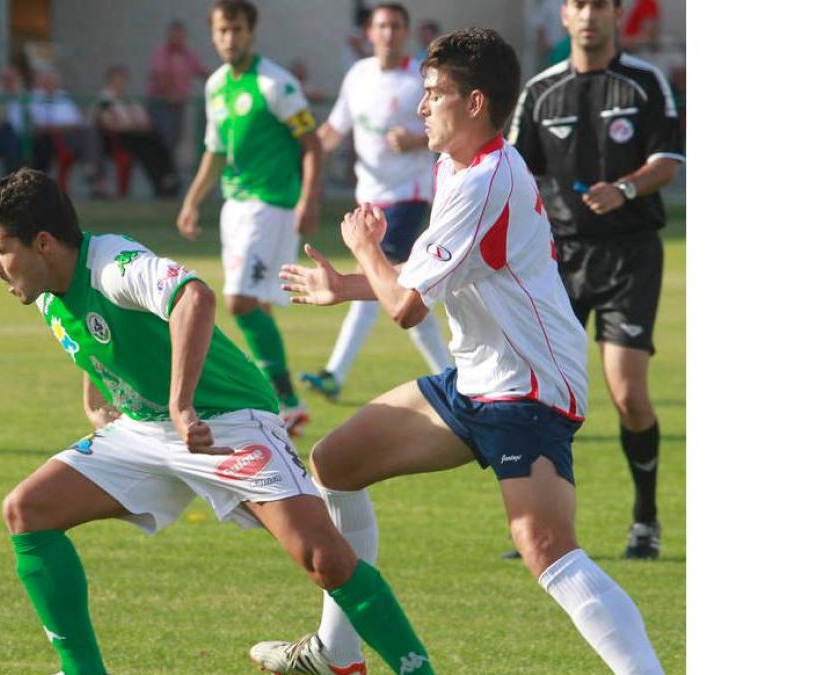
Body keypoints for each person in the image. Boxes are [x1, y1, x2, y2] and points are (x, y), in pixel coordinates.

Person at [250, 28, 664, 675]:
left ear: (475, 104)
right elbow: (425, 280)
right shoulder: (455, 167)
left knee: (545, 545)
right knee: (334, 462)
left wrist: (363, 250)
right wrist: (347, 284)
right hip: (477, 380)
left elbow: (408, 306)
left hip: (530, 386)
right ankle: (338, 652)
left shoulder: (487, 180)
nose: (421, 107)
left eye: (435, 94)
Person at [0, 167, 436, 675]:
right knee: (27, 509)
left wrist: (181, 402)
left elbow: (193, 297)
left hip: (227, 420)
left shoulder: (113, 265)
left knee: (325, 559)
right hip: (144, 431)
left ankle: (411, 669)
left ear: (42, 243)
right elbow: (95, 339)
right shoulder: (44, 291)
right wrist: (101, 396)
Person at [508, 0, 684, 560]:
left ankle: (645, 521)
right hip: (558, 260)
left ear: (614, 14)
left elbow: (669, 159)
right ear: (565, 15)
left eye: (600, 5)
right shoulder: (539, 92)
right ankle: (539, 529)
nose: (589, 15)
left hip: (630, 255)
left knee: (628, 395)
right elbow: (513, 171)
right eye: (579, 5)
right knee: (541, 398)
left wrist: (625, 189)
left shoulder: (643, 82)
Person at [177, 0, 323, 437]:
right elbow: (216, 151)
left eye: (236, 30)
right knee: (254, 305)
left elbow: (312, 143)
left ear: (251, 32)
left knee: (239, 301)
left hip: (270, 205)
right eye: (222, 30)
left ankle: (284, 399)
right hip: (233, 207)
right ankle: (287, 403)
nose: (229, 38)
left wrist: (309, 200)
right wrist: (191, 200)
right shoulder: (216, 85)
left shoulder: (276, 84)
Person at [299, 3, 452, 404]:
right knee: (402, 286)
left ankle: (334, 373)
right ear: (369, 32)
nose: (388, 33)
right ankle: (454, 373)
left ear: (406, 32)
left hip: (409, 195)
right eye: (381, 26)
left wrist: (417, 140)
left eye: (396, 26)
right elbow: (334, 129)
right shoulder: (359, 76)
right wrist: (306, 159)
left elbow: (451, 129)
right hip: (370, 199)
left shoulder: (421, 77)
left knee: (376, 277)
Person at [91, 65, 181, 198]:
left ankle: (165, 179)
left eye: (123, 81)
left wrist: (135, 124)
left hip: (136, 135)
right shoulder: (105, 101)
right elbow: (108, 124)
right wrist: (132, 125)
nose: (121, 84)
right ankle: (165, 179)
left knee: (152, 142)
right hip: (116, 139)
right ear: (110, 82)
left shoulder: (129, 100)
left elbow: (145, 120)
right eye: (117, 81)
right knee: (149, 141)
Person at [29, 69, 108, 196]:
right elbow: (42, 125)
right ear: (41, 82)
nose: (52, 84)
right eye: (48, 81)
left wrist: (74, 125)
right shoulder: (35, 99)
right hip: (57, 137)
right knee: (88, 134)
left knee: (91, 133)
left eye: (54, 81)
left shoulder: (63, 97)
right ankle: (95, 176)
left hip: (75, 135)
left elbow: (77, 118)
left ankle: (94, 174)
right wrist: (67, 126)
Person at [145, 19, 210, 164]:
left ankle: (169, 172)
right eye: (174, 35)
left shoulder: (188, 54)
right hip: (161, 105)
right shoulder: (162, 54)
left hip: (178, 106)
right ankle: (163, 171)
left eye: (180, 36)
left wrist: (218, 83)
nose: (177, 39)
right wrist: (171, 94)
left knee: (175, 138)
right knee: (163, 138)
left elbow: (201, 71)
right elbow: (161, 77)